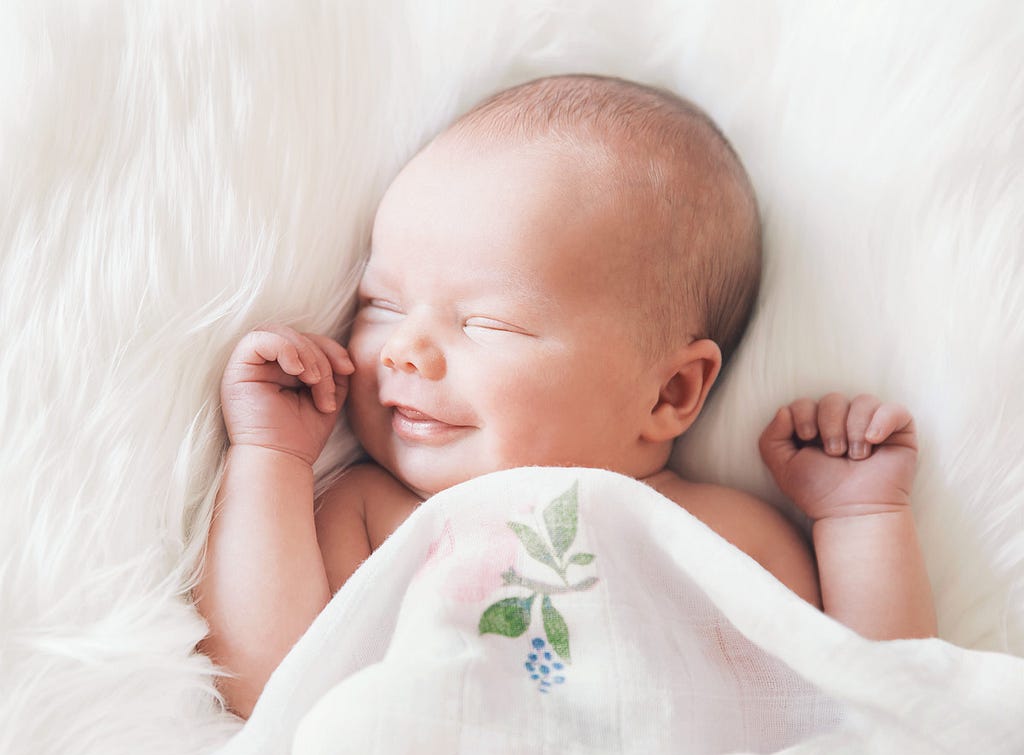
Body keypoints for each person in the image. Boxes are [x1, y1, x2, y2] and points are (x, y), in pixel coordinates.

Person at [194, 75, 937, 719]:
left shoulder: (724, 532)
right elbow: (268, 680)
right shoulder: (378, 514)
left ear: (670, 391)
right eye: (381, 303)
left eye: (485, 322)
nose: (401, 348)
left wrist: (861, 519)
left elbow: (885, 705)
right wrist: (270, 456)